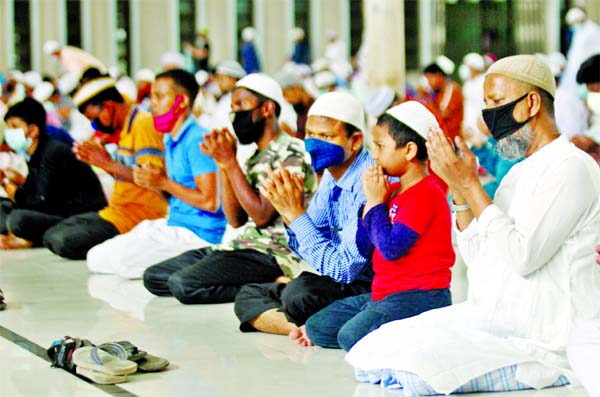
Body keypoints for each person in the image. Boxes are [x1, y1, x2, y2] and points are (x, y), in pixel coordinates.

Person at [345, 55, 600, 395]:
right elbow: (481, 256)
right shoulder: (519, 173)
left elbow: (523, 256)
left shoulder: (571, 168)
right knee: (378, 346)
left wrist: (471, 185)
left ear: (532, 103)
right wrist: (460, 193)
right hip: (498, 320)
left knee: (419, 370)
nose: (487, 117)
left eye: (496, 102)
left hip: (547, 334)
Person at [143, 73, 316, 303]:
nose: (235, 114)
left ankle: (270, 286)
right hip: (241, 246)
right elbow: (235, 220)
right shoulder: (255, 157)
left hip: (272, 254)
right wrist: (223, 165)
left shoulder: (291, 152)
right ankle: (247, 283)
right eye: (232, 107)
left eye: (241, 105)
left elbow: (262, 216)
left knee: (183, 285)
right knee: (154, 277)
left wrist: (231, 163)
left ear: (267, 109)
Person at [299, 101, 454, 351]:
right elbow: (365, 246)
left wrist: (374, 203)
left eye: (380, 146)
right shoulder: (390, 191)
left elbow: (392, 247)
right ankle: (392, 327)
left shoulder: (426, 193)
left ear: (409, 150)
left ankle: (425, 328)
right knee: (318, 326)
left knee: (349, 337)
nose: (374, 155)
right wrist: (370, 205)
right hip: (385, 292)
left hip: (420, 294)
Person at [233, 91, 373, 336]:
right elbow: (306, 244)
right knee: (249, 293)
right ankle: (300, 329)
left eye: (326, 136)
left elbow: (344, 270)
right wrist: (289, 213)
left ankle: (307, 326)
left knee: (298, 294)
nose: (314, 142)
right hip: (336, 279)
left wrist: (296, 214)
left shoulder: (368, 182)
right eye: (310, 133)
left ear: (355, 140)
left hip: (367, 285)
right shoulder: (332, 174)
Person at [85, 69, 225, 279]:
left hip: (199, 233)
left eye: (160, 96)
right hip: (175, 223)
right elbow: (172, 196)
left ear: (182, 101)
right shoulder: (170, 138)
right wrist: (154, 184)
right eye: (152, 96)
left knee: (119, 262)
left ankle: (200, 262)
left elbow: (210, 201)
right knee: (96, 256)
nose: (152, 104)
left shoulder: (197, 140)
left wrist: (164, 182)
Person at [43, 75, 167, 259]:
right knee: (50, 235)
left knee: (63, 241)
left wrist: (106, 163)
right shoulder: (126, 128)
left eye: (94, 120)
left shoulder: (143, 124)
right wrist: (102, 161)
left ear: (108, 107)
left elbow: (152, 178)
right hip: (117, 211)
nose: (96, 126)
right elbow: (125, 173)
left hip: (140, 216)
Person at [0, 97, 106, 249]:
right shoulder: (36, 154)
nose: (10, 133)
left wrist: (5, 182)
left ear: (33, 130)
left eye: (15, 127)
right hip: (55, 209)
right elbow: (32, 192)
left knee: (18, 219)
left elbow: (40, 202)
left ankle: (27, 238)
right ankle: (13, 234)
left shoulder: (53, 152)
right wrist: (13, 182)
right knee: (3, 207)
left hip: (78, 217)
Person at [418, 59, 464, 141]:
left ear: (439, 76)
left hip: (453, 140)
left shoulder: (452, 90)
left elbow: (441, 115)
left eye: (429, 78)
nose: (428, 83)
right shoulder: (438, 92)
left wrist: (426, 98)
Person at [277, 70, 315, 140]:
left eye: (286, 94)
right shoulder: (301, 112)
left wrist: (291, 133)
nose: (286, 100)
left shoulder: (315, 110)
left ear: (296, 88)